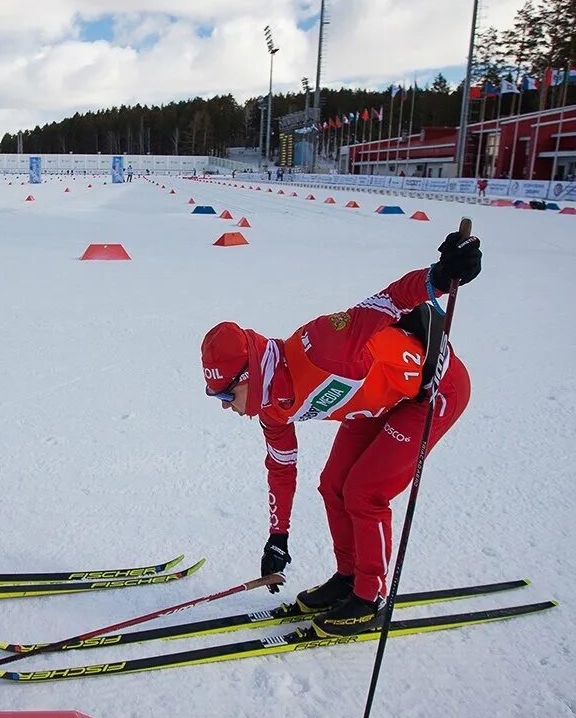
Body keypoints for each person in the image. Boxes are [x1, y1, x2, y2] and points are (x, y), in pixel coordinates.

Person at [199, 233, 482, 637]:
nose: (227, 406)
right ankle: (348, 579)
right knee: (333, 485)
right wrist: (278, 536)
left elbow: (387, 301)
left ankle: (369, 598)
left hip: (433, 389)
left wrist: (441, 275)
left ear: (251, 375)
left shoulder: (323, 346)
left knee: (365, 492)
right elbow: (281, 471)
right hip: (379, 401)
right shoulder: (271, 409)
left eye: (228, 394)